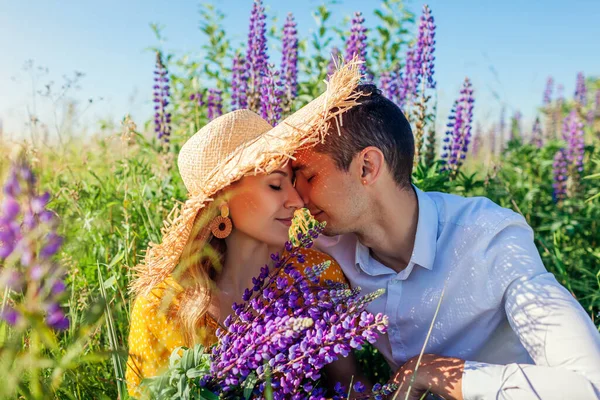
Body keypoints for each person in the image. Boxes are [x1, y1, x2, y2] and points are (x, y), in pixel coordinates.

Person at [290, 83, 600, 399]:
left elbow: (588, 387)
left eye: (309, 177)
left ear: (367, 167)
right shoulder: (324, 256)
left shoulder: (490, 239)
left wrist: (431, 371)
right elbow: (349, 383)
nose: (297, 197)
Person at [126, 60, 366, 397]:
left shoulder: (316, 273)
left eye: (293, 181)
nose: (297, 200)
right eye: (275, 185)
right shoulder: (162, 306)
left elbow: (352, 387)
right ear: (224, 200)